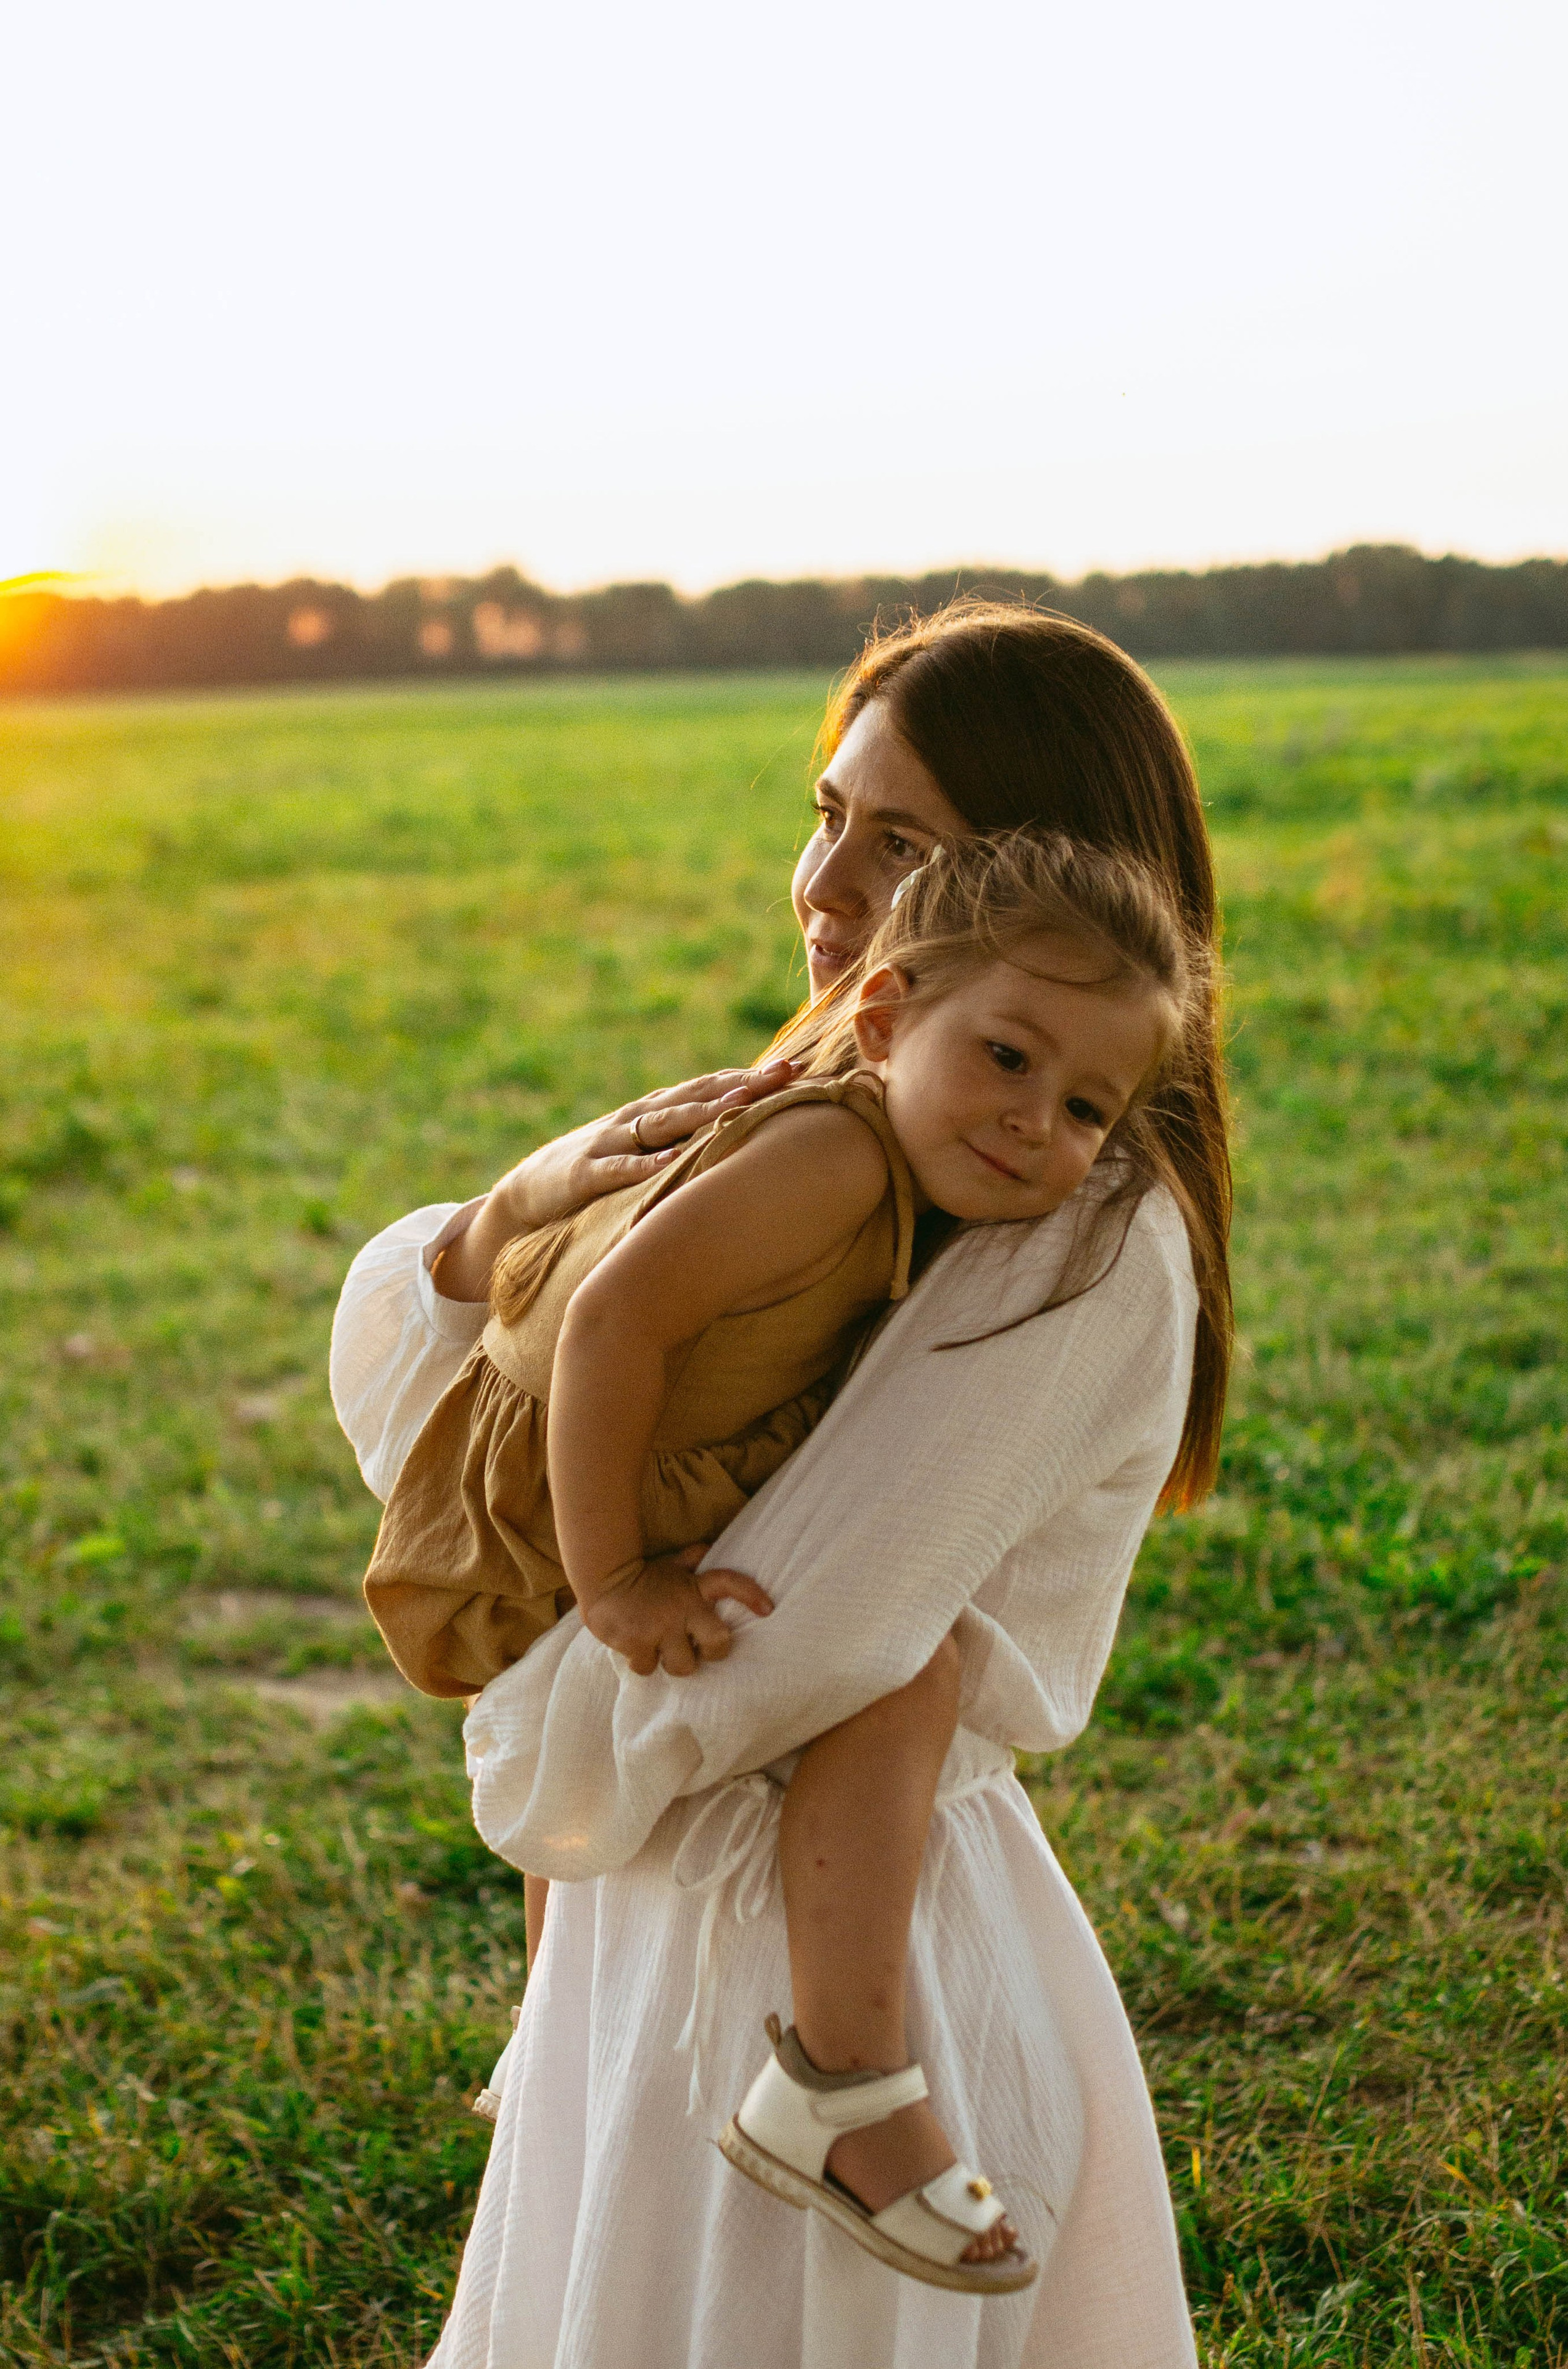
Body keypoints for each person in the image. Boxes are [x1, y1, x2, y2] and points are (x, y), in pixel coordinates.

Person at [329, 601, 1233, 2369]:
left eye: (900, 843)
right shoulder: (841, 1107)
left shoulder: (1069, 1221)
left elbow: (796, 1647)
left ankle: (848, 2086)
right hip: (648, 1939)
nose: (825, 881)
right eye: (826, 809)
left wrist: (543, 1750)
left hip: (823, 1948)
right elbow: (439, 1412)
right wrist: (510, 1211)